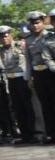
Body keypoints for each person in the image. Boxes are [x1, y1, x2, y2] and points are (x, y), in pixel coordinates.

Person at [0, 24, 37, 144]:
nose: (4, 39)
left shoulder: (21, 45)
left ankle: (34, 133)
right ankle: (25, 135)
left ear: (11, 35)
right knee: (17, 108)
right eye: (1, 37)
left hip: (22, 79)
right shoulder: (1, 51)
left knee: (28, 107)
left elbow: (29, 60)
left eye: (6, 36)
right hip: (11, 80)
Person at [25, 10, 55, 143]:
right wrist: (29, 77)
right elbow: (28, 60)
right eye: (33, 23)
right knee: (45, 105)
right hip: (38, 74)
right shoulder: (29, 40)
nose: (35, 25)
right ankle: (51, 134)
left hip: (51, 73)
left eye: (38, 22)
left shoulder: (49, 36)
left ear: (43, 22)